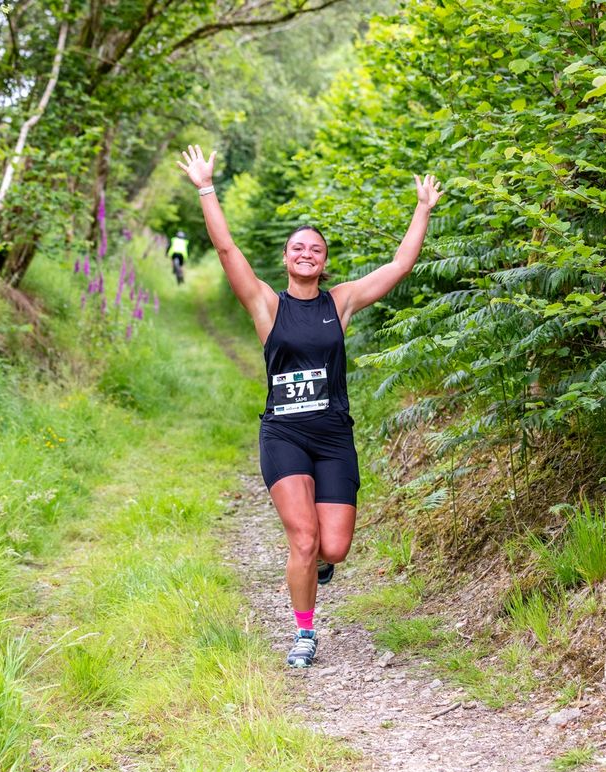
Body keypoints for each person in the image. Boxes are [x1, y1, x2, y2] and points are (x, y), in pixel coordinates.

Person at [176, 144, 442, 668]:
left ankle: (318, 564)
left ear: (323, 262)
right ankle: (303, 634)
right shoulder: (266, 303)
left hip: (332, 435)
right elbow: (228, 252)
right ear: (285, 258)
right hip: (285, 436)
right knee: (303, 537)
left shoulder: (338, 301)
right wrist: (206, 187)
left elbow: (400, 264)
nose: (306, 254)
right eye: (297, 248)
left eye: (315, 250)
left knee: (334, 547)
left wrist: (423, 208)